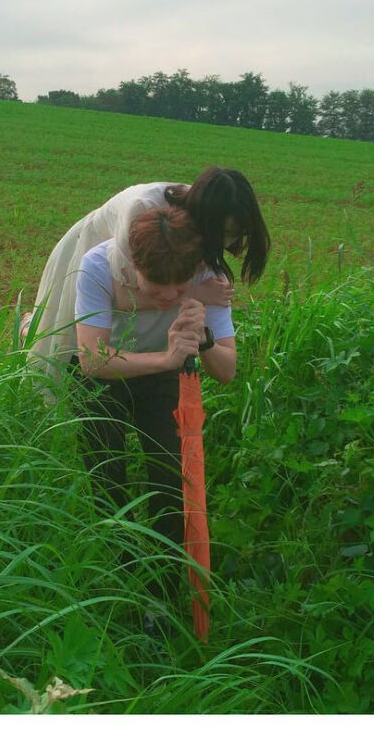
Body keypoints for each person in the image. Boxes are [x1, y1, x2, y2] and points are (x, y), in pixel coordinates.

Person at [68, 204, 236, 621]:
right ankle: (114, 582)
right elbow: (92, 359)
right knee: (107, 476)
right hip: (103, 377)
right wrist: (165, 358)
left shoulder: (205, 276)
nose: (166, 298)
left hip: (164, 378)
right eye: (156, 287)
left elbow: (228, 372)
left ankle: (160, 593)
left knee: (170, 478)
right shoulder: (97, 266)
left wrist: (204, 339)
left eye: (179, 290)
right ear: (132, 265)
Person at [24, 166, 269, 377]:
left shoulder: (205, 214)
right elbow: (121, 297)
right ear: (210, 222)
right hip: (85, 243)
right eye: (225, 234)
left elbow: (227, 370)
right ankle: (27, 333)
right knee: (59, 334)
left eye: (236, 235)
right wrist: (196, 294)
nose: (228, 243)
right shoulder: (142, 213)